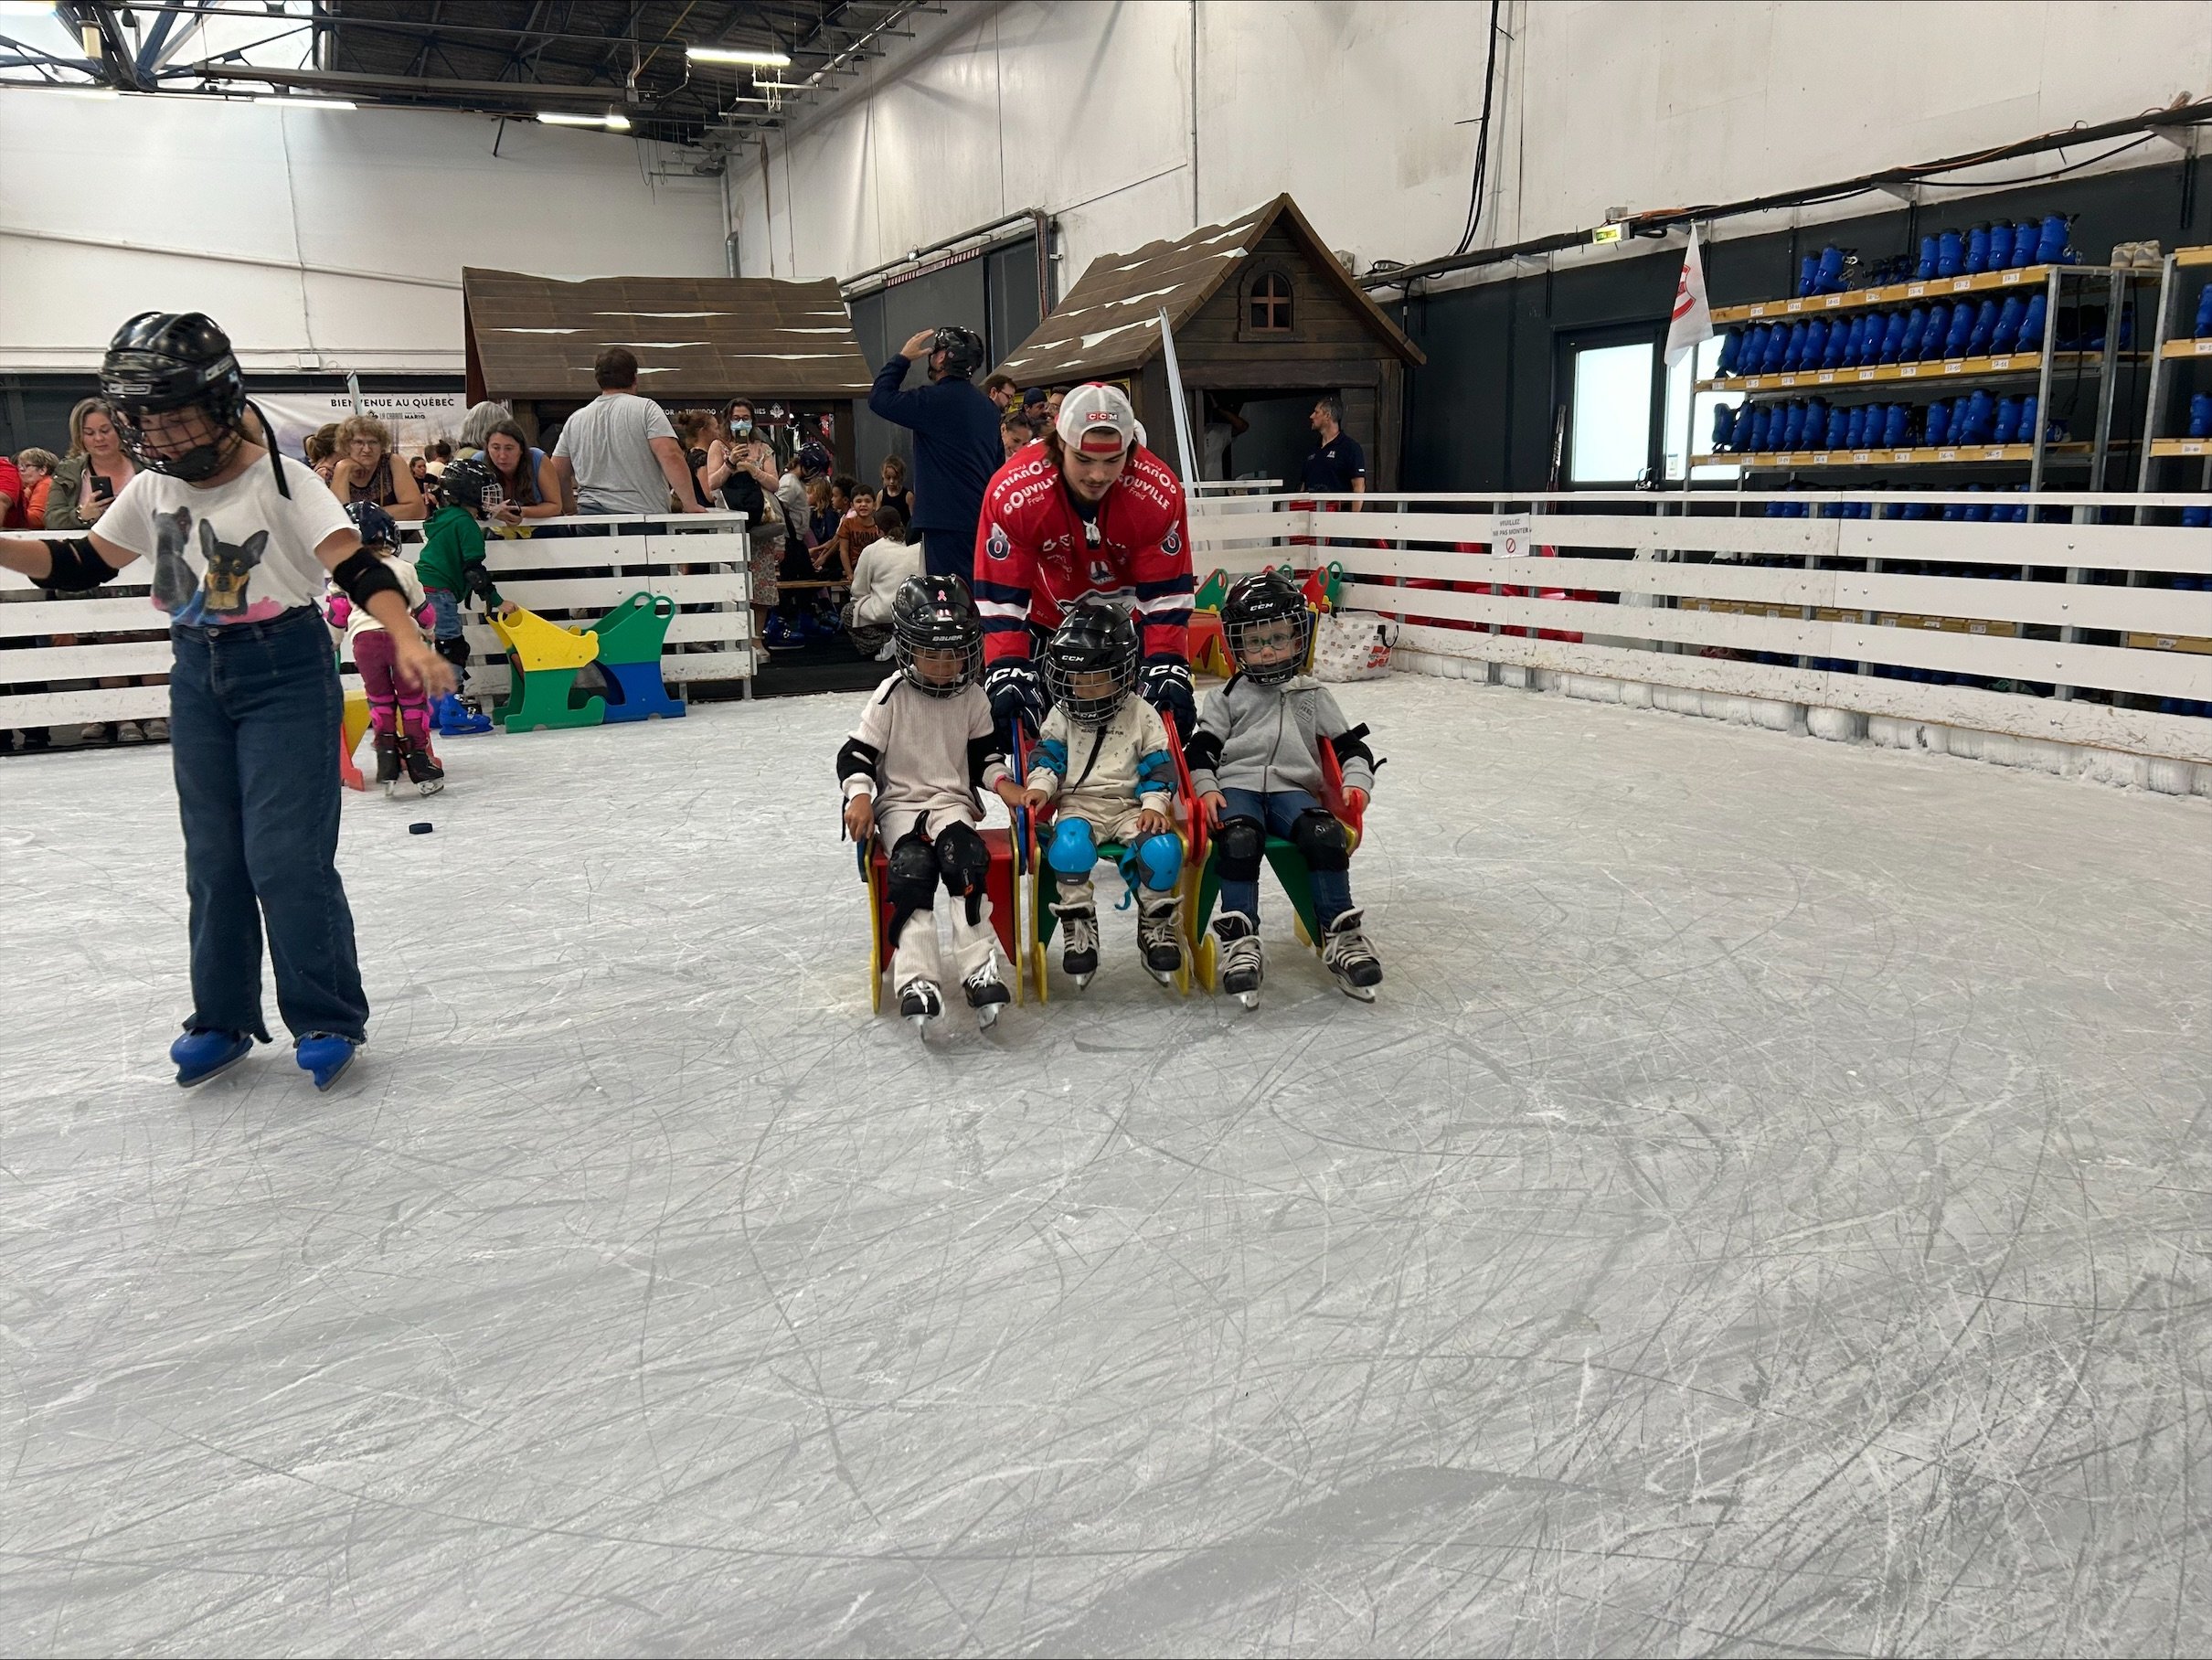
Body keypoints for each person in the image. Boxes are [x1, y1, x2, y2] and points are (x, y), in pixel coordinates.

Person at [0, 311, 455, 1090]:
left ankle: (325, 1014)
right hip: (196, 673)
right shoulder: (150, 487)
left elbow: (355, 566)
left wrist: (405, 634)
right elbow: (84, 560)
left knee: (285, 857)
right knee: (213, 857)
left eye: (177, 418)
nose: (165, 438)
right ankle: (221, 1016)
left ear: (218, 403)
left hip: (283, 671)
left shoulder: (283, 479)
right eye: (149, 422)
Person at [835, 573, 1025, 1030]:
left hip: (952, 805)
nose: (944, 664)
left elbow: (984, 757)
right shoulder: (892, 695)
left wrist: (1004, 784)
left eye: (953, 652)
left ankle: (979, 967)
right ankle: (916, 977)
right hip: (901, 809)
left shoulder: (973, 697)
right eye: (932, 652)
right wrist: (860, 796)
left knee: (965, 861)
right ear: (908, 647)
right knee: (913, 872)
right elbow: (855, 754)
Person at [1186, 569, 1383, 1005]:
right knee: (1239, 840)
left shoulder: (1312, 693)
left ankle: (1340, 932)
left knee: (1324, 833)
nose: (1268, 650)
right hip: (1236, 787)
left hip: (1293, 790)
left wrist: (1356, 782)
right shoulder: (1225, 697)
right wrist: (1205, 786)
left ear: (1298, 639)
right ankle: (1240, 940)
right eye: (1254, 643)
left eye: (1278, 638)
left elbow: (1351, 747)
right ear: (1237, 646)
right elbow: (1199, 750)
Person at [973, 381, 1196, 742]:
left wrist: (1167, 661)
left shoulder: (1157, 492)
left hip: (1128, 620)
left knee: (1138, 735)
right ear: (1058, 445)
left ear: (1131, 449)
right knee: (1044, 735)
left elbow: (1166, 593)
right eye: (1084, 458)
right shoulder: (1014, 492)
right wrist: (1007, 664)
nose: (1097, 475)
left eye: (1112, 460)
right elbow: (1001, 593)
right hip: (1048, 617)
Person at [1023, 598, 1186, 987]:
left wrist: (1155, 803)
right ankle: (1078, 923)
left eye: (1095, 677)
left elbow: (1160, 763)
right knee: (1070, 847)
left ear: (1121, 671)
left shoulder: (1141, 712)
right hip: (1080, 805)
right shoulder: (1062, 713)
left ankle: (1155, 922)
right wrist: (1040, 788)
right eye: (1076, 677)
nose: (1082, 686)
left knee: (1162, 850)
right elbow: (1048, 756)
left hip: (1131, 806)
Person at [47, 397, 150, 743]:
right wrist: (82, 515)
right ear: (80, 435)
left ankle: (154, 712)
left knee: (149, 638)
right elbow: (51, 520)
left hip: (145, 567)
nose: (98, 438)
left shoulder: (147, 466)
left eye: (105, 430)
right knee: (108, 642)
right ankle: (118, 716)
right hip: (99, 568)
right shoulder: (69, 471)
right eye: (90, 432)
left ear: (119, 430)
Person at [325, 502, 442, 797]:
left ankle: (386, 759)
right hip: (402, 638)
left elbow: (338, 613)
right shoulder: (404, 568)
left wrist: (334, 642)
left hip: (365, 643)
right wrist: (430, 633)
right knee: (412, 699)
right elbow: (423, 611)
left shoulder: (344, 572)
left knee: (380, 699)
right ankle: (418, 761)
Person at [867, 325, 1002, 581]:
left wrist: (902, 358)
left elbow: (879, 398)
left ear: (942, 357)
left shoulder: (934, 400)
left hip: (944, 521)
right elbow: (997, 465)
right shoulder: (988, 408)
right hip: (982, 518)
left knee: (949, 602)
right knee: (978, 598)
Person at [412, 456, 512, 735]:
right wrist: (496, 601)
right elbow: (474, 572)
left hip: (420, 591)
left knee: (439, 649)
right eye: (484, 491)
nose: (490, 497)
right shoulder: (466, 524)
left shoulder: (446, 518)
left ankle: (433, 707)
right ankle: (452, 709)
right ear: (467, 492)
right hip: (438, 592)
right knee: (452, 647)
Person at [550, 346, 704, 517]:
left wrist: (570, 509)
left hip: (591, 519)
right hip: (641, 517)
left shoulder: (575, 420)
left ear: (598, 379)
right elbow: (670, 455)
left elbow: (557, 472)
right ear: (635, 378)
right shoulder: (646, 409)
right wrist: (690, 504)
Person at [708, 399, 782, 648]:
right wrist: (730, 464)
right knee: (731, 580)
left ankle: (756, 637)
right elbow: (711, 484)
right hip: (730, 524)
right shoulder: (718, 447)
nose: (741, 422)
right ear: (728, 420)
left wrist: (755, 470)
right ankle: (732, 635)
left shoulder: (763, 448)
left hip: (759, 523)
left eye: (745, 418)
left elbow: (775, 484)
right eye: (736, 418)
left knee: (761, 583)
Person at [842, 503, 921, 658]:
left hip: (884, 615)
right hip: (914, 617)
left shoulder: (871, 550)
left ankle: (885, 642)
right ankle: (905, 642)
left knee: (848, 612)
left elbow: (858, 591)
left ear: (877, 530)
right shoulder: (918, 547)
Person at [328, 416, 428, 522]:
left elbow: (418, 511)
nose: (366, 449)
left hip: (400, 536)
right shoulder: (334, 471)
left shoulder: (391, 462)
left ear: (382, 446)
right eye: (358, 442)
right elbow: (338, 520)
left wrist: (363, 515)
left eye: (373, 442)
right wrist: (343, 469)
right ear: (347, 446)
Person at [478, 419, 561, 537]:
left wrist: (521, 512)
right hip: (497, 532)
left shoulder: (537, 458)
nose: (502, 456)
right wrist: (491, 511)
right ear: (487, 448)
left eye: (509, 448)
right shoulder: (478, 462)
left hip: (543, 531)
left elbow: (555, 506)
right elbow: (466, 505)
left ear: (521, 449)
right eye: (496, 448)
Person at [1301, 393, 1367, 508]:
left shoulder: (1350, 448)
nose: (1311, 416)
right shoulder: (1313, 450)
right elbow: (1304, 485)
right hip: (1310, 518)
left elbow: (1359, 487)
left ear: (1327, 416)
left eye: (1316, 412)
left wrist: (1354, 520)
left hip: (1337, 518)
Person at [15, 448, 57, 528]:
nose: (21, 470)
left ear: (42, 470)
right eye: (20, 466)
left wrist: (6, 514)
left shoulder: (45, 484)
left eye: (26, 466)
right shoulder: (31, 487)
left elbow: (36, 519)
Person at [877, 452, 914, 525]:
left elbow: (913, 519)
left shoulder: (908, 496)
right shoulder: (881, 495)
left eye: (895, 478)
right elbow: (877, 518)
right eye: (888, 478)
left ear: (901, 477)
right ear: (883, 477)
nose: (892, 481)